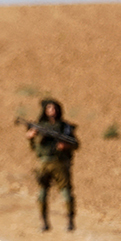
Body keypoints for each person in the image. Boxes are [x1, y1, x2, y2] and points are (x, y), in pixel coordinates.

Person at [24, 98, 79, 231]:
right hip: (43, 163)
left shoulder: (64, 127)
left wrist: (65, 146)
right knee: (42, 194)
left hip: (59, 163)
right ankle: (44, 222)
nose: (52, 111)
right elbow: (33, 147)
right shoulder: (40, 126)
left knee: (66, 192)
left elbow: (75, 143)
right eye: (49, 108)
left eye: (54, 109)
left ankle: (70, 221)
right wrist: (31, 137)